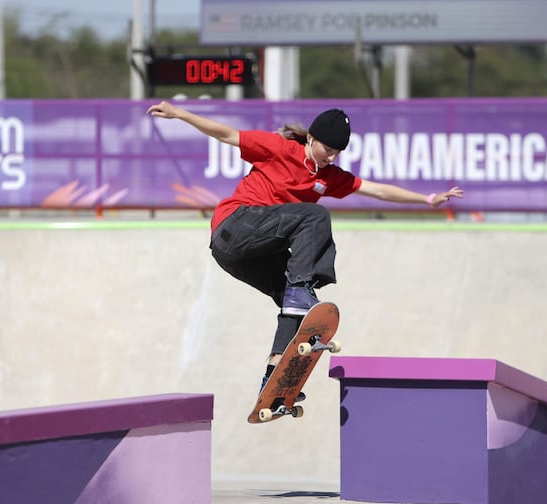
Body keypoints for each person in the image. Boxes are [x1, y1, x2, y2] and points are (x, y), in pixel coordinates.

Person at [146, 101, 464, 400]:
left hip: (241, 256)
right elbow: (227, 134)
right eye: (328, 149)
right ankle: (301, 289)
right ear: (310, 138)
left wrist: (426, 199)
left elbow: (376, 189)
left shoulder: (329, 177)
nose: (331, 157)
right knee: (314, 217)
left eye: (338, 153)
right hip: (235, 225)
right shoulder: (279, 149)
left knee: (298, 305)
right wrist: (180, 114)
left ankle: (274, 379)